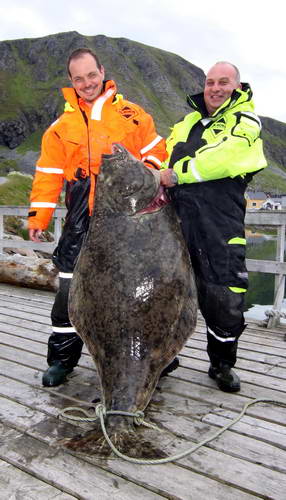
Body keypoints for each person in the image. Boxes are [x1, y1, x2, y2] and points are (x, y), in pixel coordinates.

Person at [28, 48, 167, 387]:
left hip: (126, 219)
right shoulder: (60, 128)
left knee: (133, 291)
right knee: (70, 292)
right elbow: (47, 174)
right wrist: (38, 217)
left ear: (102, 71)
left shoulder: (133, 115)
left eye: (91, 75)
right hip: (80, 219)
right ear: (71, 82)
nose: (87, 83)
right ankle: (62, 360)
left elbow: (157, 154)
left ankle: (149, 360)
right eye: (79, 78)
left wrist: (143, 173)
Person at [160, 61, 267, 392]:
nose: (216, 88)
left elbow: (226, 157)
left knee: (223, 294)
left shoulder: (245, 121)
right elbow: (164, 158)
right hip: (175, 221)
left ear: (236, 86)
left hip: (219, 224)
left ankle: (221, 364)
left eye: (224, 82)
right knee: (168, 291)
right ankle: (164, 355)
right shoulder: (186, 122)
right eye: (210, 82)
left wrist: (179, 173)